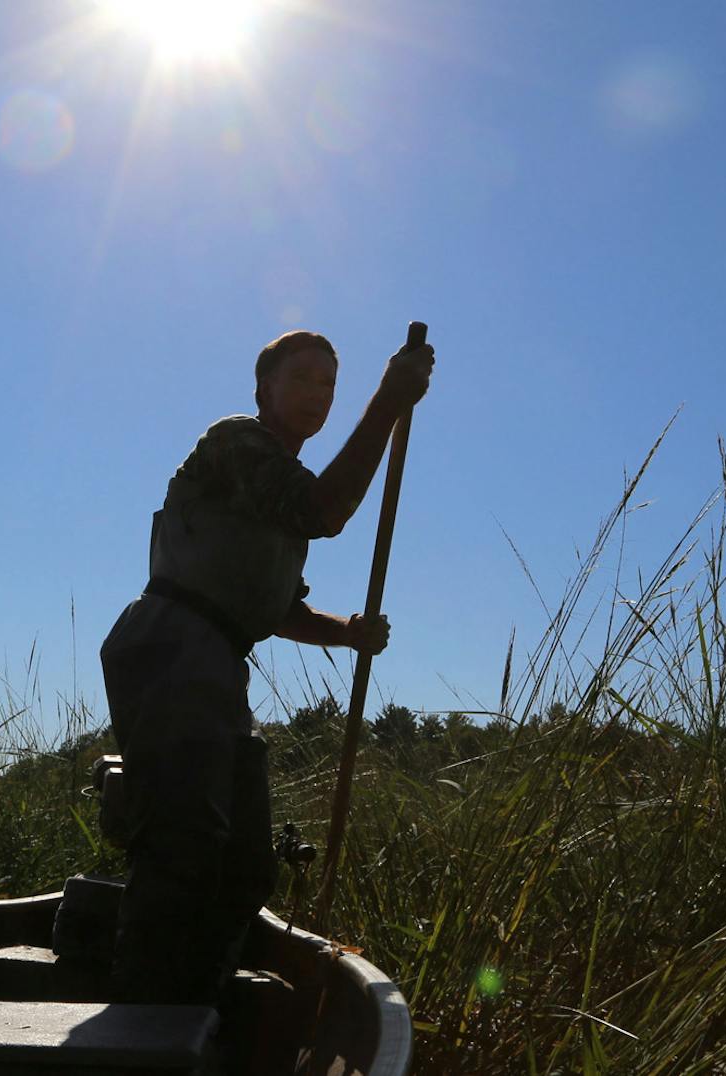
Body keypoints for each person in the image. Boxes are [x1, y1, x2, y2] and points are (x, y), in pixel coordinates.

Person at [99, 328, 434, 1004]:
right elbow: (323, 511)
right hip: (172, 645)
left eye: (329, 385)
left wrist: (349, 632)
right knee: (184, 845)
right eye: (303, 379)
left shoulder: (276, 493)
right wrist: (389, 403)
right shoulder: (238, 443)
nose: (319, 394)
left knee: (247, 865)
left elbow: (279, 609)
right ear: (265, 390)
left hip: (217, 662)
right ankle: (141, 1024)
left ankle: (198, 1004)